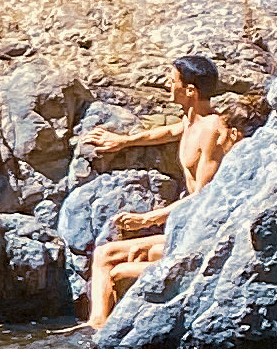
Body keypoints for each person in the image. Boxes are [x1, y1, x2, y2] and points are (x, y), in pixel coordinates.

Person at [82, 55, 246, 327]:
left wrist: (148, 219)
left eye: (172, 82)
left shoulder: (212, 129)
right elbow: (162, 133)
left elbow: (203, 198)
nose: (168, 86)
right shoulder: (190, 122)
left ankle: (101, 327)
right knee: (105, 255)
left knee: (120, 266)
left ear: (190, 91)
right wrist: (123, 142)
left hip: (203, 233)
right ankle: (95, 325)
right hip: (186, 229)